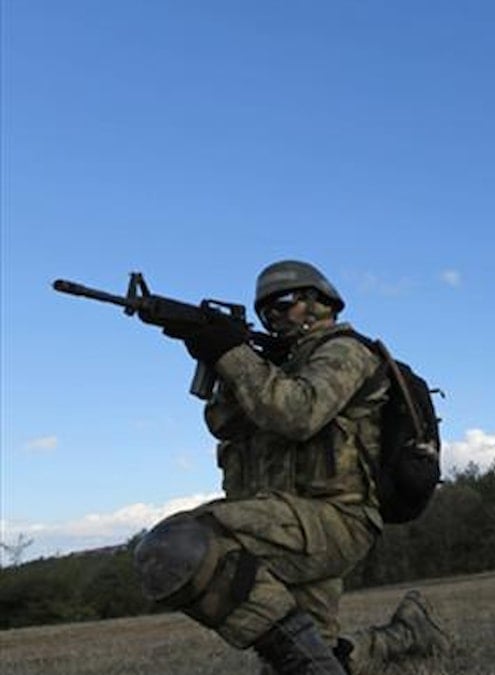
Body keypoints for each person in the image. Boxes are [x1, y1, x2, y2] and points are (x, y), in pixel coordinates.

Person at [131, 260, 450, 674]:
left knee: (177, 546)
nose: (274, 316)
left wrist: (232, 352)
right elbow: (223, 423)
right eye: (265, 311)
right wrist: (221, 354)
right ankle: (409, 634)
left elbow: (298, 413)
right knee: (318, 654)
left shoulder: (346, 351)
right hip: (289, 519)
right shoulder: (274, 368)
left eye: (283, 303)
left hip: (335, 519)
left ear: (320, 302)